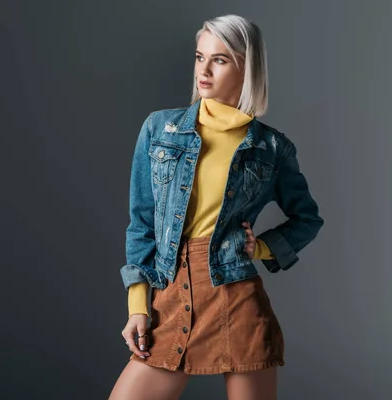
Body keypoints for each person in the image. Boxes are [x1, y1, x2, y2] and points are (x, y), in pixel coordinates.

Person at [109, 14, 324, 400]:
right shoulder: (160, 130)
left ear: (246, 66)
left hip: (235, 299)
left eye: (219, 60)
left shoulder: (271, 148)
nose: (203, 70)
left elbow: (307, 218)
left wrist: (259, 247)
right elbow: (142, 224)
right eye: (199, 57)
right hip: (171, 295)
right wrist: (137, 305)